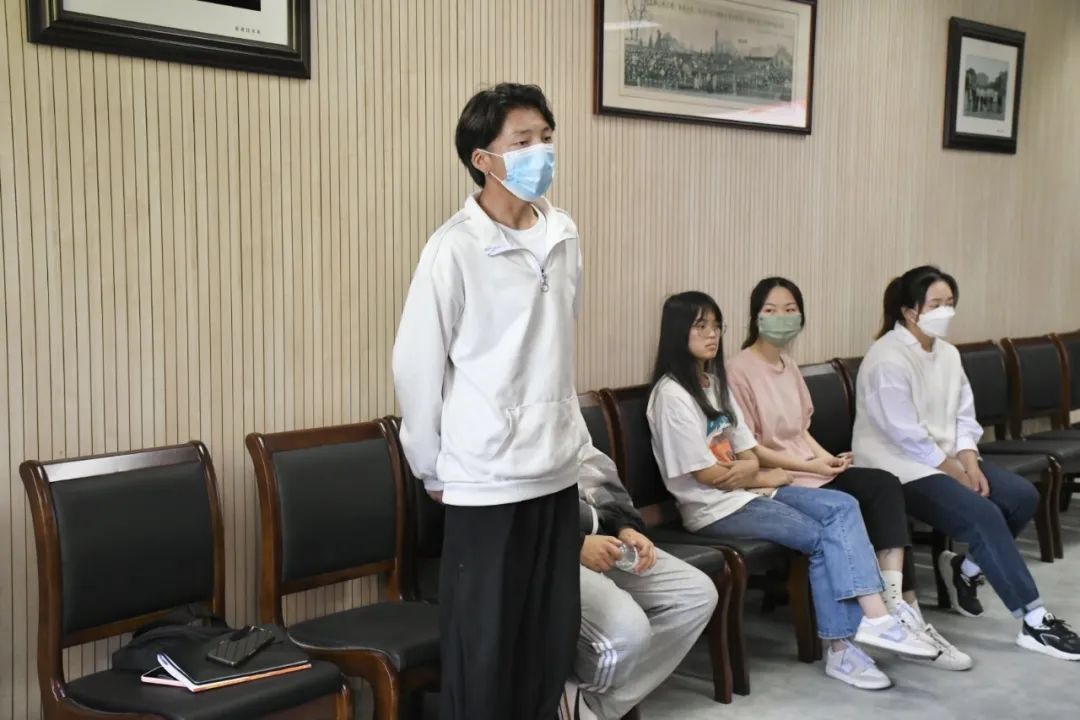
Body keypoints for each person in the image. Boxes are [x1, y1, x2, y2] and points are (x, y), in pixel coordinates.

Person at [392, 83, 587, 720]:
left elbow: (559, 350)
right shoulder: (454, 247)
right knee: (485, 651)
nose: (541, 152)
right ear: (483, 159)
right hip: (486, 479)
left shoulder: (563, 234)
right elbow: (416, 365)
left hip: (555, 471)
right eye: (523, 142)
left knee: (547, 643)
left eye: (546, 138)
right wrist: (431, 466)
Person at [646, 291, 938, 691]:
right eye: (701, 326)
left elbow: (747, 452)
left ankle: (875, 620)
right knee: (821, 537)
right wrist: (765, 476)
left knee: (842, 505)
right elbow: (709, 476)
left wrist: (752, 471)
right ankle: (843, 648)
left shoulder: (715, 383)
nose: (712, 334)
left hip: (748, 495)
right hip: (714, 510)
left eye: (716, 326)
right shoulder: (671, 395)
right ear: (678, 332)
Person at [726, 277, 970, 671]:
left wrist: (831, 460)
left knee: (883, 484)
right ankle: (887, 616)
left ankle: (900, 604)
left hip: (810, 468)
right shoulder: (738, 370)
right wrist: (812, 466)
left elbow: (801, 430)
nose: (782, 317)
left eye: (790, 310)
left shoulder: (788, 364)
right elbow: (751, 448)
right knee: (850, 502)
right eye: (771, 310)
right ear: (756, 317)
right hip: (778, 477)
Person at [852, 265, 1080, 661]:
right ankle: (1034, 621)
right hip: (898, 468)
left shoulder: (948, 354)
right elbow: (904, 434)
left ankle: (966, 570)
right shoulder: (886, 359)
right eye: (935, 304)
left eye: (950, 303)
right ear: (909, 311)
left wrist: (970, 462)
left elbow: (963, 416)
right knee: (983, 514)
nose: (945, 312)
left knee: (1021, 496)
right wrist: (956, 471)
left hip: (947, 459)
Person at [561, 446, 718, 720]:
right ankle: (573, 707)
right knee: (625, 633)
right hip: (541, 550)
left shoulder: (567, 417)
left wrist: (625, 525)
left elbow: (593, 471)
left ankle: (585, 706)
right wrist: (575, 543)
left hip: (600, 532)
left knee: (695, 594)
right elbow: (505, 506)